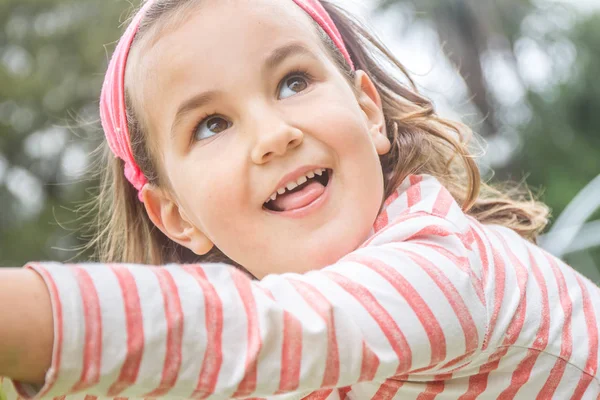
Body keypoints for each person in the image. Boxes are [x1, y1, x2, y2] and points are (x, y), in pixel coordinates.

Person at [0, 0, 598, 398]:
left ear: (368, 112)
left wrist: (23, 317)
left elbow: (260, 330)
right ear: (176, 216)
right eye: (211, 124)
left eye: (293, 82)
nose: (273, 135)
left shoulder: (446, 263)